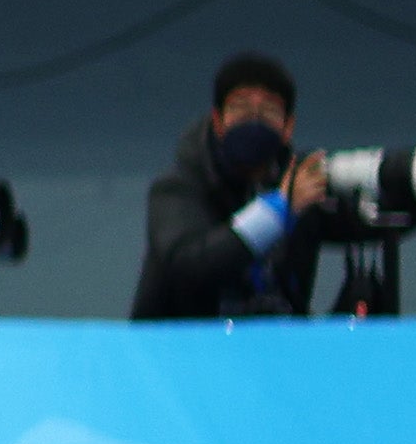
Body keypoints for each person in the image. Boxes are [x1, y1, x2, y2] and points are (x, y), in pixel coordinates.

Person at [132, 50, 334, 321]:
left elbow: (368, 216)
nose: (254, 120)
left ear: (288, 127)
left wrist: (405, 180)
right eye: (240, 109)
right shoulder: (176, 189)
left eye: (269, 111)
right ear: (218, 121)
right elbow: (189, 265)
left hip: (279, 355)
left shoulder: (304, 187)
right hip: (185, 357)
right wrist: (278, 209)